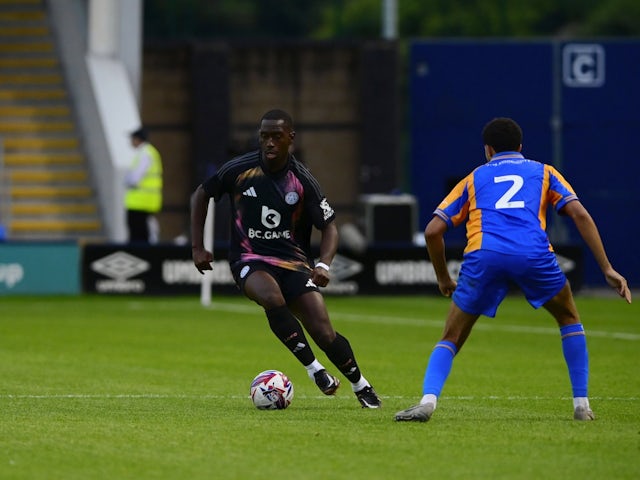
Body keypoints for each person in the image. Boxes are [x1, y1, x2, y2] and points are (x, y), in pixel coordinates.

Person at [395, 117, 631, 423]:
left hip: (485, 255)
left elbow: (431, 231)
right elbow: (580, 215)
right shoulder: (544, 172)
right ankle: (581, 404)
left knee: (452, 335)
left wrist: (443, 277)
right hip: (533, 254)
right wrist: (607, 268)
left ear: (488, 150)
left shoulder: (473, 178)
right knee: (569, 317)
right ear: (520, 147)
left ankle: (427, 401)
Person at [190, 109, 382, 408]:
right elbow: (201, 194)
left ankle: (361, 385)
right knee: (272, 297)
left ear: (290, 138)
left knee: (323, 331)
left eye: (276, 137)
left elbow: (329, 227)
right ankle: (314, 370)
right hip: (249, 259)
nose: (269, 142)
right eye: (264, 136)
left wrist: (323, 264)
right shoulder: (239, 169)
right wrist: (197, 247)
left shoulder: (302, 180)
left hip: (293, 263)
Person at [125, 127, 163, 243]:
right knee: (144, 233)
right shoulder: (149, 152)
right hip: (146, 201)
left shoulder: (145, 153)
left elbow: (134, 178)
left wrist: (127, 180)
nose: (130, 141)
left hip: (140, 203)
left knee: (138, 236)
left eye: (132, 139)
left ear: (137, 139)